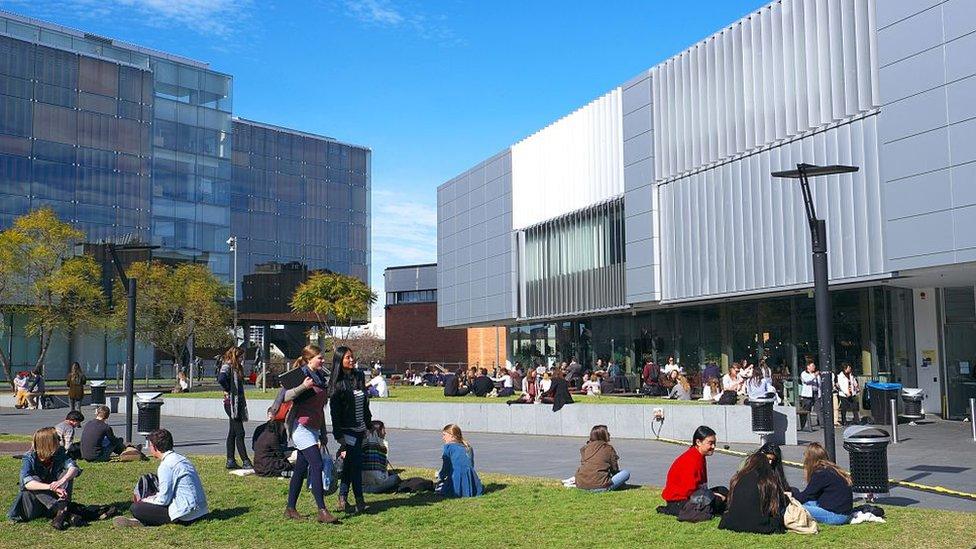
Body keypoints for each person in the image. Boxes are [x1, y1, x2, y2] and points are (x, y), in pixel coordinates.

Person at [8, 427, 116, 529]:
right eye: (57, 439)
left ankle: (63, 513)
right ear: (48, 443)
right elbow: (26, 482)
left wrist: (62, 481)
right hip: (32, 506)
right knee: (34, 480)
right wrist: (51, 487)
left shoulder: (59, 452)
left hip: (56, 497)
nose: (60, 441)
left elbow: (74, 468)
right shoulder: (29, 457)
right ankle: (73, 512)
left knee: (67, 473)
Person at [282, 344, 339, 524]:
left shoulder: (321, 377)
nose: (323, 361)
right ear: (309, 359)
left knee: (300, 469)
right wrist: (303, 387)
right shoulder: (300, 375)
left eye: (322, 358)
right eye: (319, 358)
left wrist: (323, 433)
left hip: (313, 427)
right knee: (317, 463)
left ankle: (290, 508)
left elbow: (320, 409)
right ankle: (322, 510)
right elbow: (285, 396)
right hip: (300, 426)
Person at [113, 429, 208, 527]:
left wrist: (147, 500)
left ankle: (144, 521)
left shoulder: (166, 465)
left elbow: (164, 500)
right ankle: (145, 520)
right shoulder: (181, 458)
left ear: (154, 447)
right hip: (200, 511)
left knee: (136, 508)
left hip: (186, 515)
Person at [330, 346, 371, 514]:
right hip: (348, 430)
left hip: (360, 428)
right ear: (340, 360)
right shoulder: (337, 383)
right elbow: (334, 411)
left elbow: (365, 403)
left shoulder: (358, 376)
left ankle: (342, 499)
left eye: (352, 357)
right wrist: (338, 434)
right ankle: (359, 500)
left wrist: (368, 424)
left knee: (349, 465)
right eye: (348, 357)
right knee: (356, 465)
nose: (352, 360)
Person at [658, 426, 727, 517]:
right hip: (679, 502)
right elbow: (690, 491)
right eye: (710, 443)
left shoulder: (699, 456)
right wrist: (713, 495)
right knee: (717, 500)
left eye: (714, 443)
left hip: (691, 496)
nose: (713, 447)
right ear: (698, 442)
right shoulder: (691, 460)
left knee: (722, 490)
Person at [718, 451, 788, 534]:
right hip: (758, 524)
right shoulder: (767, 481)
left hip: (733, 522)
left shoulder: (737, 478)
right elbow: (773, 507)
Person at [792, 442, 853, 525]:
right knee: (807, 503)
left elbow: (805, 496)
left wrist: (789, 493)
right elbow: (811, 496)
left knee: (795, 508)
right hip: (844, 512)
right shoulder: (831, 469)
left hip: (837, 516)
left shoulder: (820, 473)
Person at [218, 346, 252, 470]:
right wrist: (228, 389)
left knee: (232, 432)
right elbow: (221, 379)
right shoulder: (227, 366)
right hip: (231, 404)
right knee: (240, 432)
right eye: (241, 357)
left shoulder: (235, 368)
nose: (242, 359)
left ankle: (230, 460)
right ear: (235, 356)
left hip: (235, 403)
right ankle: (246, 461)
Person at [574, 425, 630, 492]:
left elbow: (584, 464)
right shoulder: (608, 448)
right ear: (603, 435)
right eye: (607, 433)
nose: (609, 434)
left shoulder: (585, 448)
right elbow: (614, 469)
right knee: (625, 473)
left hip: (581, 485)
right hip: (600, 486)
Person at [435, 424, 483, 498]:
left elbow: (446, 467)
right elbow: (471, 465)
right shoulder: (468, 447)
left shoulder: (448, 447)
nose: (443, 438)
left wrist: (440, 476)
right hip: (472, 481)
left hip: (456, 480)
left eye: (444, 435)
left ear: (452, 436)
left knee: (441, 488)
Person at [253, 408, 293, 478]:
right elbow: (280, 454)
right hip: (268, 467)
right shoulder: (273, 435)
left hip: (258, 465)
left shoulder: (259, 429)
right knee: (296, 455)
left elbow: (254, 447)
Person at [362, 420, 400, 494]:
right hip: (376, 484)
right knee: (395, 478)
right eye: (384, 430)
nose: (385, 433)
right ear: (378, 431)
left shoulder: (363, 442)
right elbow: (382, 469)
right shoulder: (382, 445)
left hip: (361, 483)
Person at [799, 359, 820, 431]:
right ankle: (803, 425)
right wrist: (814, 375)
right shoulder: (804, 373)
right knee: (806, 410)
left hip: (815, 393)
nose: (814, 367)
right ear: (808, 366)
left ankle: (821, 423)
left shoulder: (816, 374)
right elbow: (807, 380)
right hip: (807, 395)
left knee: (819, 408)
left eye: (814, 365)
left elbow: (819, 383)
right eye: (812, 366)